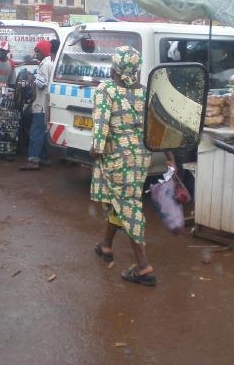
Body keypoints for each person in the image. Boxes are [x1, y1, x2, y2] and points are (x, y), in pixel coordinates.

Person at [90, 46, 155, 286]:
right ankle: (106, 245)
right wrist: (168, 157)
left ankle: (143, 266)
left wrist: (96, 148)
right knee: (121, 199)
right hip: (140, 158)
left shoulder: (106, 90)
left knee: (129, 206)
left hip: (117, 157)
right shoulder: (145, 92)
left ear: (114, 68)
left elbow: (101, 123)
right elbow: (155, 124)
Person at [20, 40, 53, 171]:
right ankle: (44, 158)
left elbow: (42, 83)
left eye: (38, 51)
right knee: (41, 133)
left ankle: (33, 160)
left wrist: (31, 77)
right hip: (42, 103)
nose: (36, 53)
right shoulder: (45, 63)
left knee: (35, 133)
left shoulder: (45, 65)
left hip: (41, 105)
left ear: (44, 52)